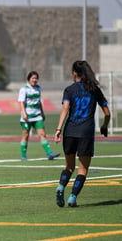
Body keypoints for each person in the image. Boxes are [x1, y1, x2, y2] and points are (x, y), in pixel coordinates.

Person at [54, 60, 110, 207]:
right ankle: (72, 198)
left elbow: (65, 110)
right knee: (82, 170)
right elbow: (107, 113)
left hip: (70, 131)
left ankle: (60, 187)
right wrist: (104, 126)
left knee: (69, 167)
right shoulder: (94, 89)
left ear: (74, 73)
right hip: (86, 132)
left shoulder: (69, 90)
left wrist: (58, 130)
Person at [18, 71, 60, 161]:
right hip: (27, 116)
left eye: (36, 78)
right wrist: (24, 113)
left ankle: (49, 153)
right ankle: (23, 156)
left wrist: (42, 113)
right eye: (33, 78)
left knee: (42, 134)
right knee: (25, 135)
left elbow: (39, 102)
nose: (35, 80)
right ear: (29, 79)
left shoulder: (38, 88)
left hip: (37, 116)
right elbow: (21, 102)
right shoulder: (24, 89)